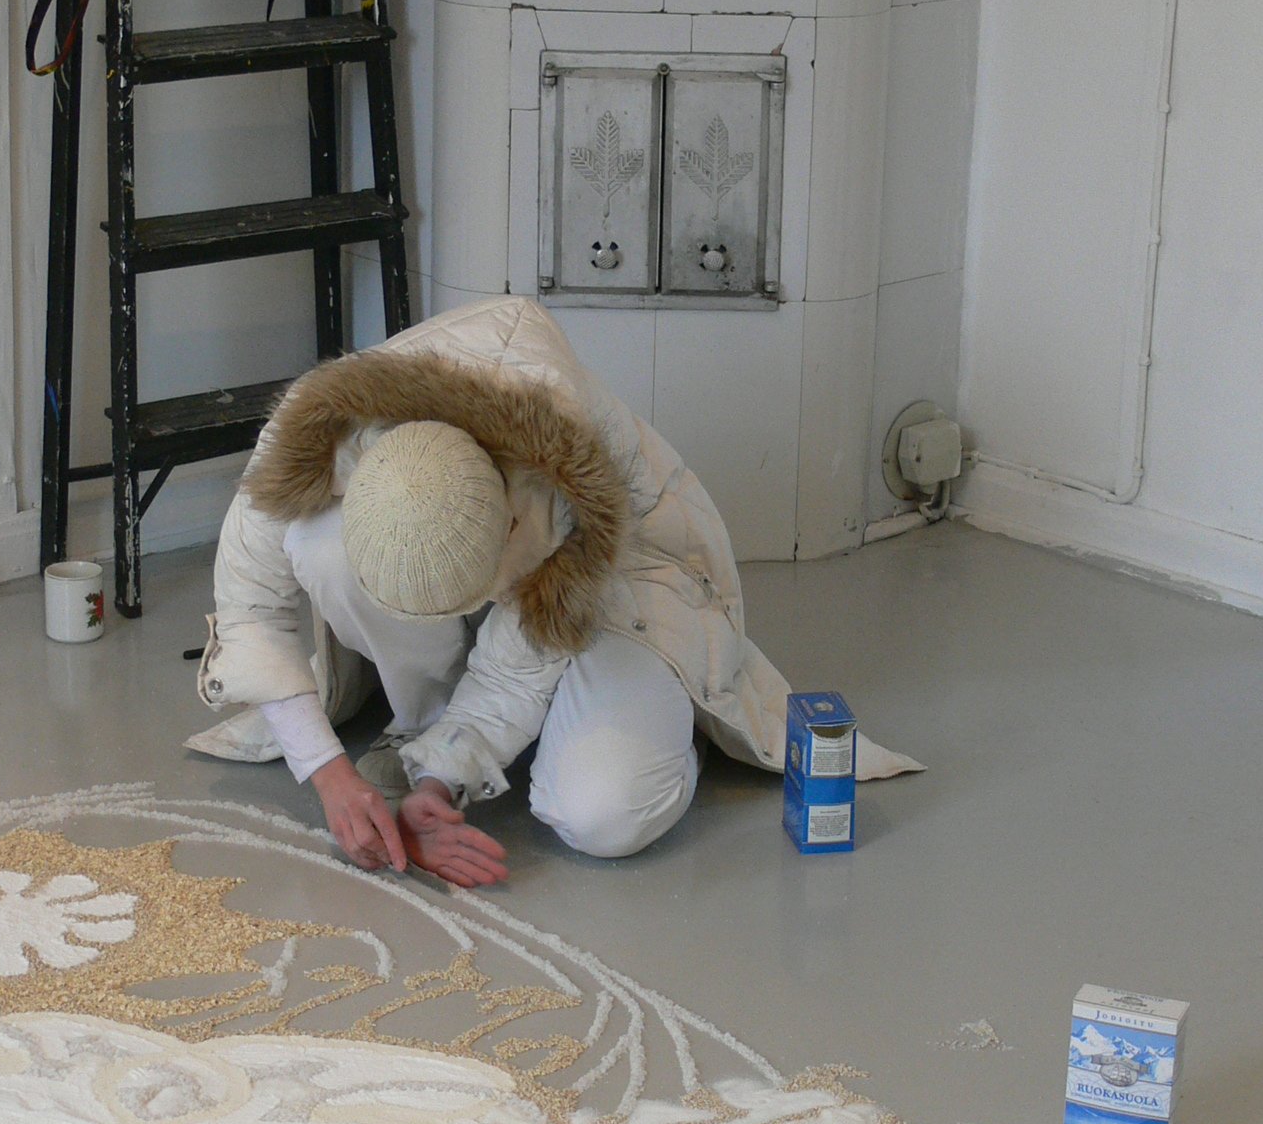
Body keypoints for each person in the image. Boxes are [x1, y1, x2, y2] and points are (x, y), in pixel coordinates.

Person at [189, 294, 916, 883]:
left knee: (606, 815)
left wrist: (438, 784)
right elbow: (252, 615)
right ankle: (428, 725)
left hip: (625, 571)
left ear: (509, 528)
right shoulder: (310, 437)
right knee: (316, 543)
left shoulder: (559, 481)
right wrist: (333, 779)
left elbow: (519, 653)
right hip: (473, 528)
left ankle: (664, 723)